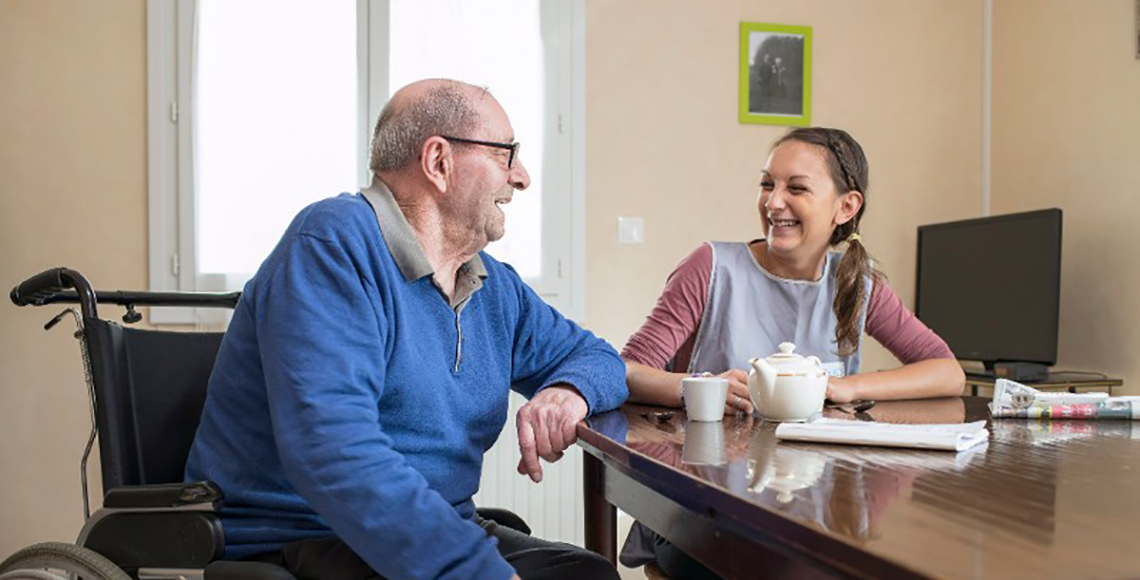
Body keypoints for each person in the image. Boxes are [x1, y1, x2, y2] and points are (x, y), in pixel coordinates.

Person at [184, 79, 627, 580]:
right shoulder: (331, 246)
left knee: (586, 574)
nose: (521, 177)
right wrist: (474, 570)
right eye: (505, 154)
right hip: (307, 536)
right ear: (439, 161)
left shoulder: (490, 284)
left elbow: (599, 359)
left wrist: (569, 390)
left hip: (435, 531)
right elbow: (334, 452)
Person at [619, 127, 965, 579]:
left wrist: (843, 387)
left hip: (810, 523)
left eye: (796, 188)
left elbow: (947, 372)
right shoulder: (710, 267)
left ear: (846, 207)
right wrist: (700, 388)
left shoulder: (857, 283)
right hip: (699, 515)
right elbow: (624, 371)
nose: (773, 202)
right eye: (767, 184)